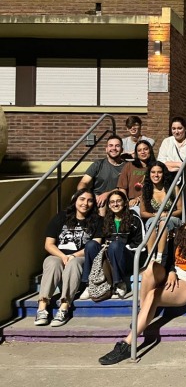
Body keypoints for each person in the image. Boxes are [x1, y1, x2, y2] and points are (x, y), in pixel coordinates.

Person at [98, 207, 186, 365]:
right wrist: (171, 271)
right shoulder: (180, 232)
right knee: (149, 269)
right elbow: (167, 257)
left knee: (153, 295)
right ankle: (142, 316)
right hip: (173, 274)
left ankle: (126, 344)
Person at [34, 189, 102, 327]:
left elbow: (96, 243)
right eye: (82, 199)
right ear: (75, 200)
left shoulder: (98, 221)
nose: (85, 203)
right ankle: (42, 308)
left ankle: (64, 307)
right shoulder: (61, 217)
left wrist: (73, 256)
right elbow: (49, 244)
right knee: (52, 263)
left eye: (89, 200)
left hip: (81, 257)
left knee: (74, 263)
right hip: (58, 255)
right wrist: (63, 256)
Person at [79, 189, 145, 300]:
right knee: (91, 245)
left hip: (129, 259)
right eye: (112, 202)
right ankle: (88, 284)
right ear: (109, 205)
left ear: (125, 203)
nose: (115, 204)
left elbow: (140, 245)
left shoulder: (135, 220)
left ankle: (119, 283)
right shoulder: (105, 221)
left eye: (118, 201)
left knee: (115, 245)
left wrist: (120, 247)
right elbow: (99, 241)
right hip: (109, 258)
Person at [139, 161, 183, 264]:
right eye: (153, 172)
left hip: (171, 218)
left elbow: (180, 210)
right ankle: (151, 257)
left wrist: (167, 214)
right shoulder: (145, 190)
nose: (156, 175)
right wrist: (155, 215)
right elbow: (143, 212)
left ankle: (159, 256)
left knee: (163, 222)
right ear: (149, 174)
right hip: (154, 217)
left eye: (159, 172)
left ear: (164, 174)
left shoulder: (173, 189)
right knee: (153, 223)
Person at [157, 116, 186, 206]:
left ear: (185, 129)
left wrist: (170, 164)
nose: (176, 132)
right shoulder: (167, 141)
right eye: (173, 129)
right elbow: (160, 162)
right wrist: (180, 164)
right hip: (169, 174)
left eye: (179, 128)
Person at [77, 134, 125, 216]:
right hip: (96, 198)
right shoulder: (98, 164)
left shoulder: (127, 166)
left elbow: (125, 188)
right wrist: (86, 196)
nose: (113, 148)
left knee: (103, 206)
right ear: (106, 149)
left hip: (117, 199)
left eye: (117, 146)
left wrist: (107, 194)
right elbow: (83, 182)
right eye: (111, 145)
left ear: (122, 150)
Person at [117, 139, 156, 212]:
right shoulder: (129, 166)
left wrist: (139, 199)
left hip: (150, 201)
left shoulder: (155, 166)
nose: (143, 152)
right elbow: (122, 188)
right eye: (139, 150)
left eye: (145, 149)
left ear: (150, 151)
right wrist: (126, 202)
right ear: (136, 153)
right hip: (132, 203)